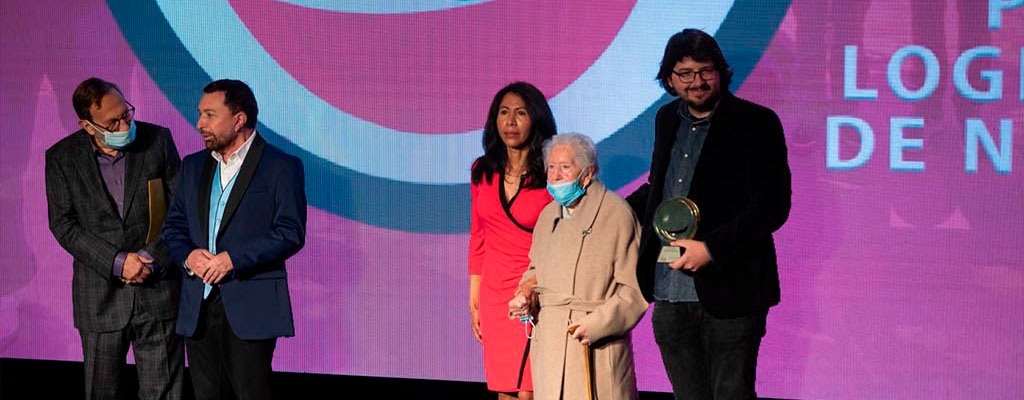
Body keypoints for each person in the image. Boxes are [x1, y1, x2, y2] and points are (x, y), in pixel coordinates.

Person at [626, 29, 792, 399]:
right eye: (685, 73)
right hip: (668, 292)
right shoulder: (667, 118)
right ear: (670, 78)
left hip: (731, 291)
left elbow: (772, 206)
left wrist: (711, 249)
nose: (696, 81)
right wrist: (610, 209)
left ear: (721, 72)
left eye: (705, 70)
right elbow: (662, 188)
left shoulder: (757, 122)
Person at [160, 79, 306, 400]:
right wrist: (188, 256)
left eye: (210, 115)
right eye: (200, 114)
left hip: (249, 304)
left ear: (239, 119)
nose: (200, 124)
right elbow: (173, 227)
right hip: (198, 306)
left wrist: (232, 259)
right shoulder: (193, 166)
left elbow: (289, 233)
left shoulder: (280, 167)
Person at [45, 77, 184, 399]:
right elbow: (63, 224)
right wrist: (119, 263)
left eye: (126, 114)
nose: (124, 124)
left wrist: (150, 259)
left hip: (158, 291)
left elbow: (181, 210)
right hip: (99, 298)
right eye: (113, 121)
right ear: (87, 125)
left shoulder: (157, 141)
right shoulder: (62, 158)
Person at [509, 133, 648, 400]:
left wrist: (596, 324)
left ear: (587, 173)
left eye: (565, 167)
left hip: (592, 342)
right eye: (551, 167)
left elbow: (635, 288)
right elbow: (535, 270)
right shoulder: (548, 214)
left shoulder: (616, 213)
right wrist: (525, 294)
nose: (556, 176)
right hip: (551, 341)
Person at [469, 82, 556, 400]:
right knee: (504, 389)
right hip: (493, 295)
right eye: (504, 113)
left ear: (536, 119)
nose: (510, 121)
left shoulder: (551, 174)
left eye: (520, 113)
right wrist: (474, 296)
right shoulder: (482, 171)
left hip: (536, 290)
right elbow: (478, 237)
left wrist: (535, 284)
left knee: (531, 390)